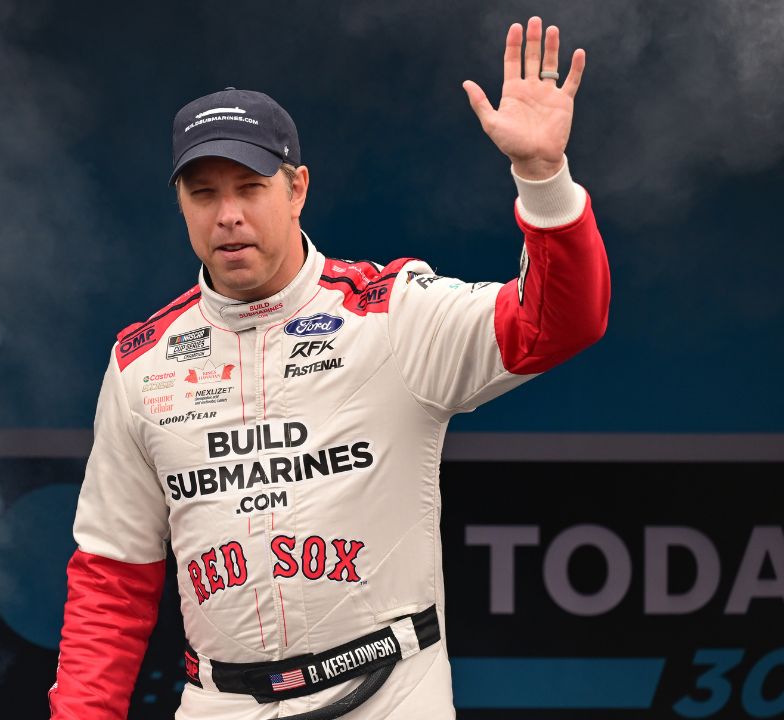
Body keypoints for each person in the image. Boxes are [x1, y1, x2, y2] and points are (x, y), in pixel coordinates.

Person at [49, 16, 610, 720]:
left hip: (388, 694)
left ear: (297, 188)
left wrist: (542, 177)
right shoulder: (141, 363)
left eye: (249, 187)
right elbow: (112, 579)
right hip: (221, 703)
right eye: (204, 193)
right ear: (181, 204)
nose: (228, 215)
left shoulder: (390, 313)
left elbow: (559, 323)